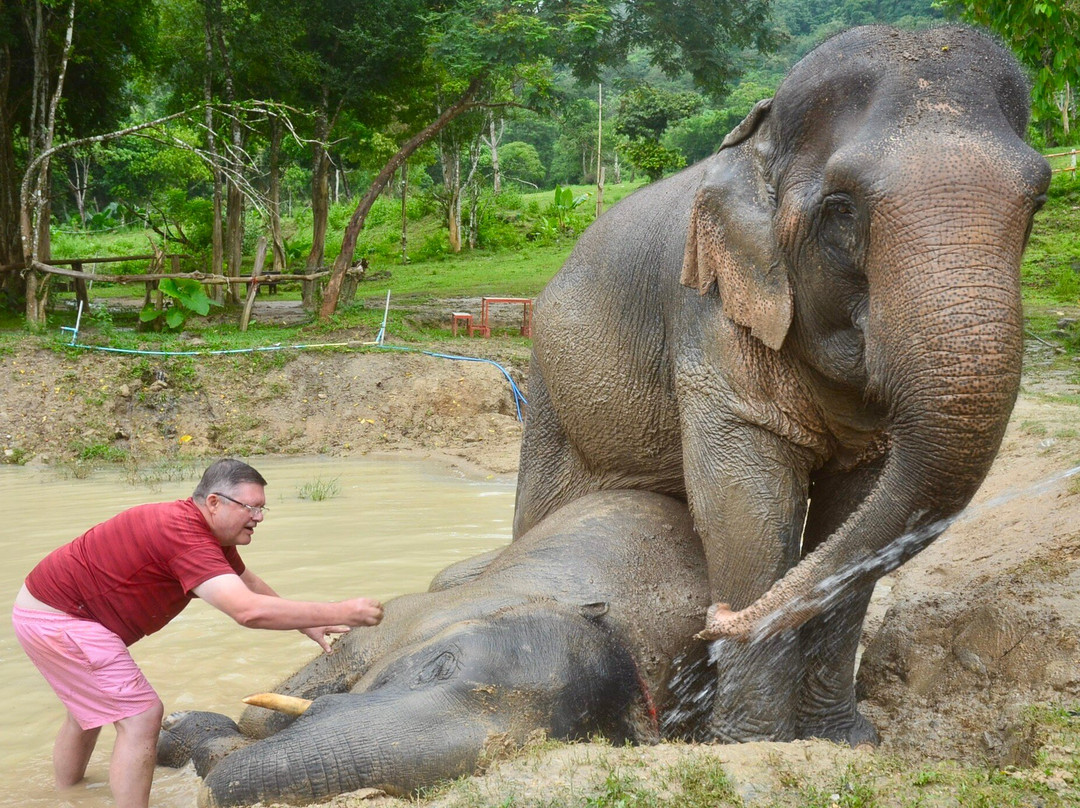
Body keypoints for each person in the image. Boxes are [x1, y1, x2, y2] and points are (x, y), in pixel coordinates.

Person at [11, 458, 383, 808]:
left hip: (45, 612)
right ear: (215, 502)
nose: (258, 518)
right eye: (251, 507)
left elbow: (245, 582)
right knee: (141, 716)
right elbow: (246, 611)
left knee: (87, 713)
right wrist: (342, 610)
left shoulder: (203, 532)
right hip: (63, 620)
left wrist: (307, 621)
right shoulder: (183, 534)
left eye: (262, 508)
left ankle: (67, 796)